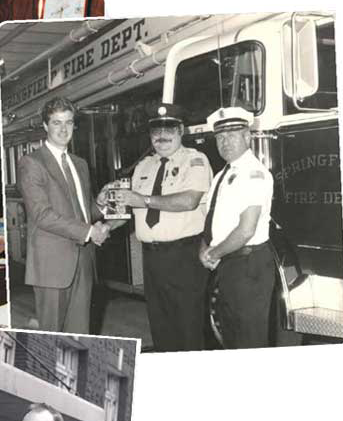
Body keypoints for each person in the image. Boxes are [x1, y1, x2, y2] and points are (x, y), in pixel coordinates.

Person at [102, 104, 213, 351]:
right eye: (155, 131)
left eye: (169, 129)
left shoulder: (195, 161)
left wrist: (144, 200)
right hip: (151, 259)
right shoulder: (144, 167)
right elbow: (131, 208)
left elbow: (189, 200)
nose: (161, 137)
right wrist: (105, 225)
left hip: (184, 257)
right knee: (161, 326)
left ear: (181, 130)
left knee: (188, 328)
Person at [18, 96, 110, 334]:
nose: (63, 129)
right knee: (52, 336)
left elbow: (83, 211)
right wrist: (89, 231)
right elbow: (42, 215)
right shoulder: (31, 163)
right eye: (57, 123)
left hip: (84, 261)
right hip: (52, 266)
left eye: (68, 122)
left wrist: (101, 205)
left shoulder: (80, 164)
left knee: (80, 335)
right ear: (46, 126)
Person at [199, 107, 275, 349]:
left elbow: (246, 230)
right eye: (220, 136)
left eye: (232, 134)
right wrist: (205, 248)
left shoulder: (254, 174)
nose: (225, 142)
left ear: (247, 137)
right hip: (228, 264)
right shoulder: (222, 174)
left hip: (247, 267)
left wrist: (212, 254)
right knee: (230, 338)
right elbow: (213, 220)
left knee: (249, 341)